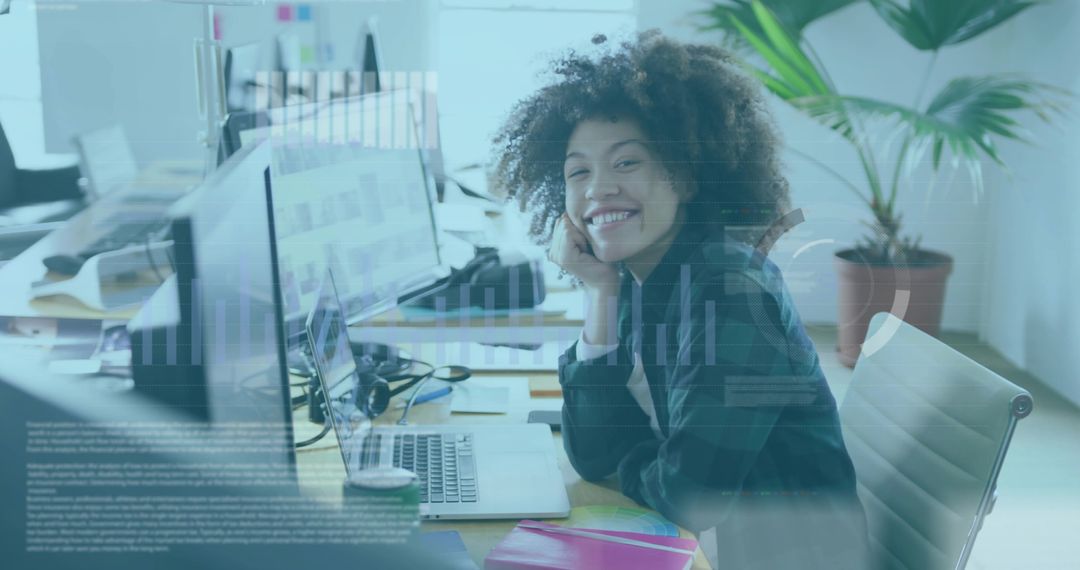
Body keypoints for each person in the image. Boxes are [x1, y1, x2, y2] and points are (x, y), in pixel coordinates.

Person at [492, 32, 870, 569]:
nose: (598, 188)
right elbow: (594, 453)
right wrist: (599, 291)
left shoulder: (730, 290)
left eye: (626, 163)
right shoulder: (637, 274)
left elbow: (690, 495)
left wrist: (632, 458)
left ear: (687, 176)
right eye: (579, 171)